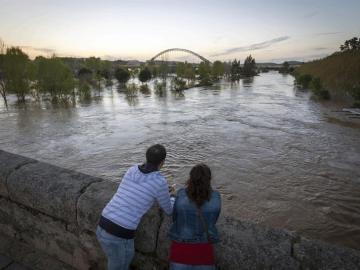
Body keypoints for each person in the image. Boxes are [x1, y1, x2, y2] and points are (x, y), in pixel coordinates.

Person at [96, 144, 174, 270]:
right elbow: (169, 209)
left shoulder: (132, 170)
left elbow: (136, 191)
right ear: (162, 162)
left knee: (121, 260)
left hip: (103, 223)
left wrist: (161, 192)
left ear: (146, 157)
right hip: (119, 233)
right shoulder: (160, 182)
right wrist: (172, 198)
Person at [168, 163, 221, 270]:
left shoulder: (181, 194)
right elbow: (213, 221)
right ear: (209, 179)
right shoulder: (216, 197)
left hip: (180, 248)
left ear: (191, 178)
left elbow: (175, 218)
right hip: (204, 251)